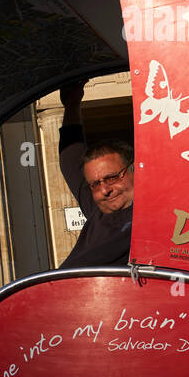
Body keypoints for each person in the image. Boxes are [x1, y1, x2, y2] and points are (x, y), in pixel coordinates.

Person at [57, 81, 134, 269]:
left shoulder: (153, 215)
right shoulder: (97, 211)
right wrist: (72, 103)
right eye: (95, 184)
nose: (105, 189)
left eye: (112, 177)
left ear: (134, 171)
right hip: (69, 291)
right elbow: (70, 157)